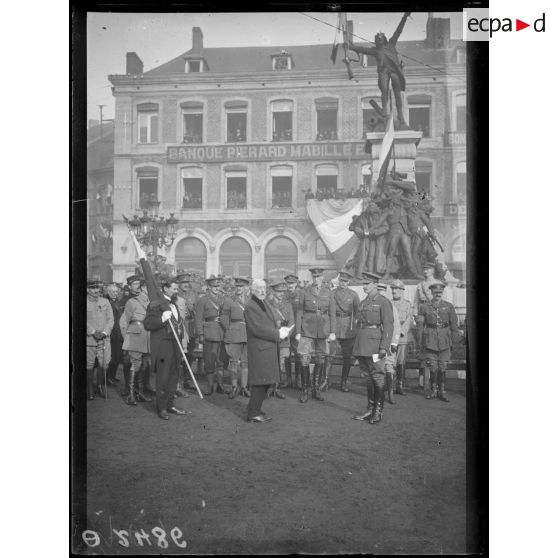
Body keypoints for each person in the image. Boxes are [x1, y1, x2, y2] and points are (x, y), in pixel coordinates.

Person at [348, 13, 411, 125]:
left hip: (395, 72)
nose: (379, 40)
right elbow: (362, 49)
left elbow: (398, 31)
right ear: (376, 41)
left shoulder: (391, 45)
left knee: (397, 95)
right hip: (384, 73)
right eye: (377, 39)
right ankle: (384, 110)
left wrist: (404, 17)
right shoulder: (375, 51)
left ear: (385, 39)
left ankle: (401, 116)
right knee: (384, 91)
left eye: (381, 38)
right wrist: (351, 47)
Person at [244, 279, 292, 423]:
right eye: (258, 288)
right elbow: (256, 328)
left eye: (264, 288)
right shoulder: (251, 305)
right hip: (260, 348)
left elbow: (268, 323)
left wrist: (280, 330)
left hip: (267, 348)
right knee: (261, 381)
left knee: (265, 381)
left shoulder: (263, 302)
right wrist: (277, 334)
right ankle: (253, 413)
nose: (262, 290)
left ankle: (254, 408)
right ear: (253, 290)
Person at [352, 271, 394, 424]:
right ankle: (370, 409)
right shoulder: (363, 302)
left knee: (378, 377)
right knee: (368, 378)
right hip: (362, 345)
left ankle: (378, 411)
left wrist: (384, 347)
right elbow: (359, 325)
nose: (364, 286)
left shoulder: (383, 302)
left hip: (376, 347)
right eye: (363, 284)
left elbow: (388, 326)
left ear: (375, 284)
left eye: (367, 284)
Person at [143, 280, 188, 420]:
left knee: (174, 376)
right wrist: (162, 318)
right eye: (174, 288)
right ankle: (161, 408)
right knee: (163, 377)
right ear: (165, 289)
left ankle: (170, 404)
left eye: (177, 289)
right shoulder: (156, 305)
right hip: (163, 346)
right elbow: (148, 324)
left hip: (175, 344)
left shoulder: (174, 304)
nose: (176, 291)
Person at [295, 268, 336, 403]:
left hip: (323, 330)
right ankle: (305, 390)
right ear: (312, 277)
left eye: (319, 276)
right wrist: (298, 332)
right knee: (304, 358)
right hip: (307, 329)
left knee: (320, 359)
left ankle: (316, 389)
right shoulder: (304, 291)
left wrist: (332, 331)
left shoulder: (328, 293)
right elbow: (300, 312)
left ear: (322, 277)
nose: (316, 278)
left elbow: (332, 313)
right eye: (314, 276)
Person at [416, 282, 460, 403]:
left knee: (442, 367)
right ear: (431, 293)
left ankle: (442, 391)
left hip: (445, 340)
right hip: (430, 340)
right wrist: (419, 342)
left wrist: (455, 342)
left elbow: (454, 325)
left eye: (440, 293)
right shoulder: (424, 307)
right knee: (433, 367)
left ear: (442, 293)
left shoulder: (449, 306)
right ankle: (434, 390)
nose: (438, 295)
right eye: (435, 293)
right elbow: (420, 326)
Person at [119, 276, 153, 405]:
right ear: (143, 288)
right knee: (135, 364)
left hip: (148, 336)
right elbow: (123, 321)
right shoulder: (132, 302)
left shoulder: (152, 302)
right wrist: (126, 339)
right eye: (148, 287)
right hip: (135, 336)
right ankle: (131, 395)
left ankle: (139, 393)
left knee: (144, 365)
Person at [195, 275, 227, 395]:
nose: (217, 288)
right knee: (209, 360)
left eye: (218, 286)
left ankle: (220, 385)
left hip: (222, 333)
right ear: (209, 287)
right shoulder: (203, 300)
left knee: (221, 360)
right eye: (214, 286)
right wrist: (200, 334)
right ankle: (210, 386)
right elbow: (198, 318)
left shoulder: (224, 299)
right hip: (209, 333)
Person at [328, 270, 360, 392]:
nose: (343, 283)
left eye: (345, 281)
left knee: (347, 357)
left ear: (349, 282)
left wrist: (355, 326)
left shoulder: (353, 295)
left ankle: (344, 382)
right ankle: (326, 381)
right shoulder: (332, 293)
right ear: (339, 281)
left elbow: (357, 313)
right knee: (330, 355)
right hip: (334, 325)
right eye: (341, 280)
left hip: (348, 328)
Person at [220, 277, 251, 399]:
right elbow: (223, 317)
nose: (239, 288)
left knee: (245, 362)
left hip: (248, 334)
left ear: (246, 288)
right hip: (234, 334)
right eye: (237, 286)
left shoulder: (251, 300)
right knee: (233, 362)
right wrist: (229, 329)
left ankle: (244, 387)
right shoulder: (229, 300)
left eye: (241, 286)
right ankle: (234, 387)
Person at [266, 279, 294, 399]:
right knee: (270, 362)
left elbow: (292, 321)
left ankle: (276, 388)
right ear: (273, 291)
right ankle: (268, 387)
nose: (281, 293)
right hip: (271, 338)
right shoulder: (267, 304)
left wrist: (287, 333)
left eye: (283, 291)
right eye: (278, 291)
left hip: (284, 339)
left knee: (280, 364)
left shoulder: (288, 304)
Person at [86, 280, 114, 400]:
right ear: (87, 289)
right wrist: (92, 332)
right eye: (92, 288)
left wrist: (104, 332)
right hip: (89, 340)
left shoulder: (105, 301)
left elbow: (111, 319)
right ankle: (90, 389)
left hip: (104, 339)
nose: (96, 290)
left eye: (97, 288)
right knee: (89, 365)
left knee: (104, 363)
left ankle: (100, 386)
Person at [413, 261, 438, 388]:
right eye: (424, 269)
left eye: (428, 269)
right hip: (422, 312)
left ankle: (433, 379)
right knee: (421, 338)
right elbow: (416, 301)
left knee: (432, 339)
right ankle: (422, 378)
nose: (425, 271)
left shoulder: (437, 284)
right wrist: (415, 316)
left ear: (433, 270)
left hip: (432, 313)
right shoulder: (420, 285)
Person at [376, 282, 400, 404]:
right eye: (378, 290)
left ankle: (390, 393)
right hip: (375, 342)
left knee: (389, 366)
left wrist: (394, 342)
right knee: (377, 366)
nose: (380, 293)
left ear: (385, 292)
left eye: (382, 291)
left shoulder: (390, 305)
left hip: (388, 341)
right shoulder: (373, 304)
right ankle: (379, 392)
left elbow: (396, 326)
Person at [175, 273, 198, 396]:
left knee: (189, 355)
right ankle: (177, 383)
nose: (186, 285)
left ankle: (187, 380)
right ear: (178, 284)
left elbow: (197, 311)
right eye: (183, 283)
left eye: (187, 282)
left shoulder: (193, 295)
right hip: (179, 327)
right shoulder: (175, 295)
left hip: (190, 328)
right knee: (179, 356)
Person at [390, 279, 412, 395]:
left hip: (402, 338)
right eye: (393, 288)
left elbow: (408, 320)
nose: (394, 291)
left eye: (397, 289)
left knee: (401, 361)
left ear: (402, 290)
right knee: (391, 361)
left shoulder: (407, 304)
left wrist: (401, 332)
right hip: (391, 338)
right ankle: (391, 386)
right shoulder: (388, 303)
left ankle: (400, 385)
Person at [284, 274, 302, 389]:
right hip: (285, 329)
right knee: (286, 355)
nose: (290, 285)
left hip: (297, 329)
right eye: (288, 283)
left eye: (292, 283)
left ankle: (298, 380)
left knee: (298, 354)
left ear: (296, 283)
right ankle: (288, 379)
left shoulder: (301, 294)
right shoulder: (284, 294)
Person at [105, 283, 124, 386]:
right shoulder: (105, 302)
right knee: (110, 357)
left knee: (117, 356)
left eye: (116, 292)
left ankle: (113, 376)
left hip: (118, 332)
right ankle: (107, 378)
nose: (115, 293)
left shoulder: (118, 302)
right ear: (107, 292)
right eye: (112, 292)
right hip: (110, 333)